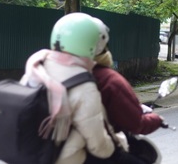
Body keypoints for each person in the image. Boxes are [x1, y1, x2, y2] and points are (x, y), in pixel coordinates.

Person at [20, 12, 124, 164]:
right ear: (90, 45)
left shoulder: (35, 69)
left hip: (27, 155)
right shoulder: (84, 85)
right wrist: (120, 146)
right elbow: (99, 145)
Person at [86, 18, 165, 164]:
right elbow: (136, 124)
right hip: (95, 154)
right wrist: (156, 119)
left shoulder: (43, 74)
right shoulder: (108, 80)